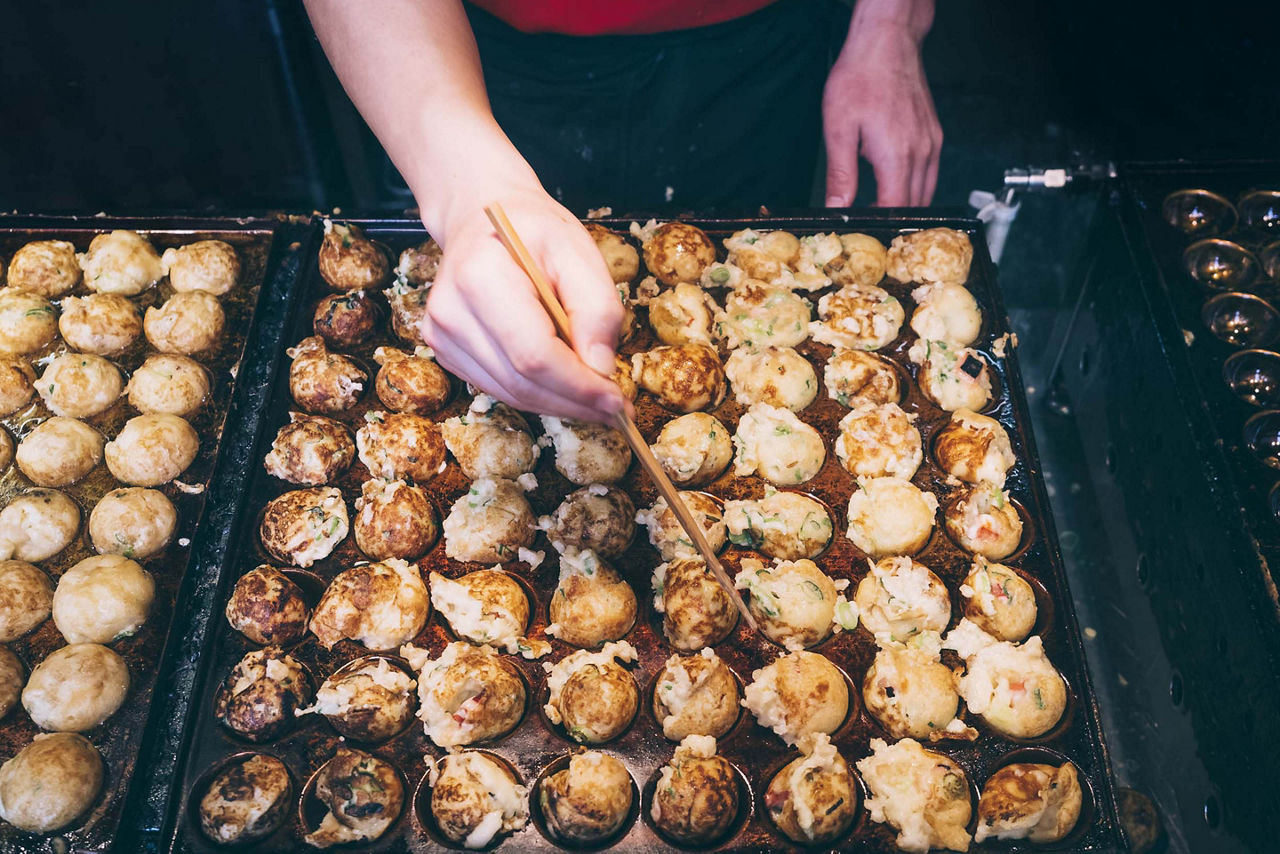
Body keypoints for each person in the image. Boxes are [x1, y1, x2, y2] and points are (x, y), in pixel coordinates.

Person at [304, 0, 939, 423]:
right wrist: (465, 184)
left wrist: (889, 24)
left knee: (753, 239)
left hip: (763, 46)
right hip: (463, 54)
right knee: (506, 303)